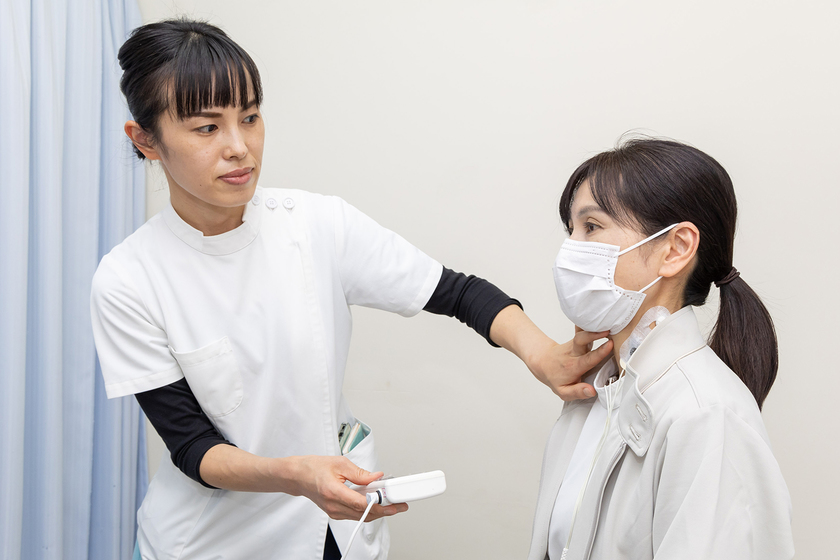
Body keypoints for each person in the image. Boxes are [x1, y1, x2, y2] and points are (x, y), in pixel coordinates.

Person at [89, 19, 608, 560]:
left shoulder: (316, 224)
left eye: (250, 117)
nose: (239, 147)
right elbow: (194, 448)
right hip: (210, 542)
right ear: (145, 139)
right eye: (206, 128)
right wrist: (296, 474)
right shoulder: (128, 280)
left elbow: (458, 293)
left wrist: (542, 354)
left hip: (333, 530)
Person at [528, 138, 794, 559]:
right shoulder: (599, 391)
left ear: (676, 248)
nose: (570, 250)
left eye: (591, 227)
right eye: (571, 230)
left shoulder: (706, 415)